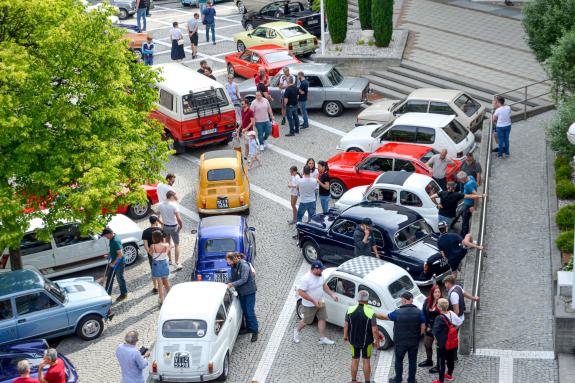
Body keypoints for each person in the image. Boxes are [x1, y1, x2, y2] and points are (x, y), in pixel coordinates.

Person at [377, 291, 426, 383]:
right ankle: (411, 380)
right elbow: (423, 326)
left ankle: (398, 379)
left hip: (400, 342)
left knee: (398, 361)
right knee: (412, 361)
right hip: (413, 342)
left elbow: (384, 317)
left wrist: (374, 314)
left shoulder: (397, 312)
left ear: (404, 300)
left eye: (401, 299)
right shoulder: (419, 312)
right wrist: (418, 336)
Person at [293, 261, 338, 345]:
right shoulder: (306, 279)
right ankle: (296, 331)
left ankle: (322, 338)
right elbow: (301, 292)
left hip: (320, 302)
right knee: (306, 321)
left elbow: (324, 286)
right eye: (320, 269)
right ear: (314, 269)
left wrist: (332, 294)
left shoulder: (320, 275)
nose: (322, 271)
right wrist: (313, 301)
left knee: (322, 318)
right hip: (309, 305)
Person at [344, 290, 380, 383]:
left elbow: (346, 325)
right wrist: (377, 341)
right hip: (366, 342)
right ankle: (367, 381)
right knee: (366, 361)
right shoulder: (370, 312)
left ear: (357, 298)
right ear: (367, 300)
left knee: (354, 359)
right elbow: (375, 330)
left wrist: (345, 336)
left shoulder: (350, 309)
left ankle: (353, 380)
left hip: (353, 340)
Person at [226, 252, 259, 342]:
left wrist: (231, 284)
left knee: (250, 311)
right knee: (245, 311)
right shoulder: (233, 266)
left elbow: (244, 279)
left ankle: (255, 331)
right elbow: (233, 278)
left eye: (229, 261)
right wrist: (227, 283)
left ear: (233, 259)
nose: (228, 263)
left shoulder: (244, 265)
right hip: (241, 292)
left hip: (249, 292)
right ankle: (249, 328)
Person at [432, 298, 463, 383]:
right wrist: (453, 330)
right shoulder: (451, 313)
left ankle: (441, 380)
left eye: (438, 304)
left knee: (441, 361)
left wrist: (436, 340)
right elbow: (460, 322)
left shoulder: (439, 318)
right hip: (452, 342)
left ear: (440, 308)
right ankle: (449, 375)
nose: (437, 305)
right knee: (450, 359)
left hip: (443, 343)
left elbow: (434, 331)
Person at [157, 190, 184, 270]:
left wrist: (161, 223)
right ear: (171, 196)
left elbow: (156, 216)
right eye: (174, 196)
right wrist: (180, 226)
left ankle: (169, 260)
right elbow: (179, 219)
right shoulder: (174, 205)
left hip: (165, 227)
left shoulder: (160, 205)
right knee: (176, 244)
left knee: (168, 244)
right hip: (174, 227)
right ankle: (177, 262)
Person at [419, 284, 442, 372]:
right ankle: (429, 361)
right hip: (428, 328)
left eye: (439, 292)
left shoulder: (442, 302)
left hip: (438, 330)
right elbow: (423, 313)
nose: (437, 294)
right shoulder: (427, 301)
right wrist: (425, 324)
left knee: (439, 348)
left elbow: (443, 317)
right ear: (432, 293)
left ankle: (439, 366)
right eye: (435, 292)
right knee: (427, 344)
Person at [102, 227, 128, 302]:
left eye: (106, 235)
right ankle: (107, 294)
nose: (105, 237)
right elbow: (114, 251)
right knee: (109, 277)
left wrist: (113, 263)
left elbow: (120, 254)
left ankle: (124, 294)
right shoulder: (111, 239)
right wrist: (109, 255)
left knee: (120, 278)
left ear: (110, 233)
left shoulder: (115, 241)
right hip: (114, 261)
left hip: (119, 263)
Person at [142, 215, 165, 294]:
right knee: (161, 269)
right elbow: (163, 243)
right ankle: (161, 285)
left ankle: (155, 287)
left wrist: (151, 254)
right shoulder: (160, 230)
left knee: (153, 270)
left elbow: (145, 245)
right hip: (160, 253)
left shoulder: (145, 232)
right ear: (156, 221)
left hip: (151, 254)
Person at [149, 231, 171, 305]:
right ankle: (171, 296)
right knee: (166, 282)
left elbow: (150, 253)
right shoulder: (166, 245)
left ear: (154, 238)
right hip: (164, 264)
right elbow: (167, 252)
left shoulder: (152, 246)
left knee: (160, 284)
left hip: (156, 265)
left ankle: (162, 300)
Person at [457, 171, 478, 236]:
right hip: (467, 202)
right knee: (463, 216)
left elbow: (476, 195)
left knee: (465, 221)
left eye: (460, 180)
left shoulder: (467, 185)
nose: (459, 181)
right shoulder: (471, 177)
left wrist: (474, 207)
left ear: (463, 179)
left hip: (469, 204)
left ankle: (463, 235)